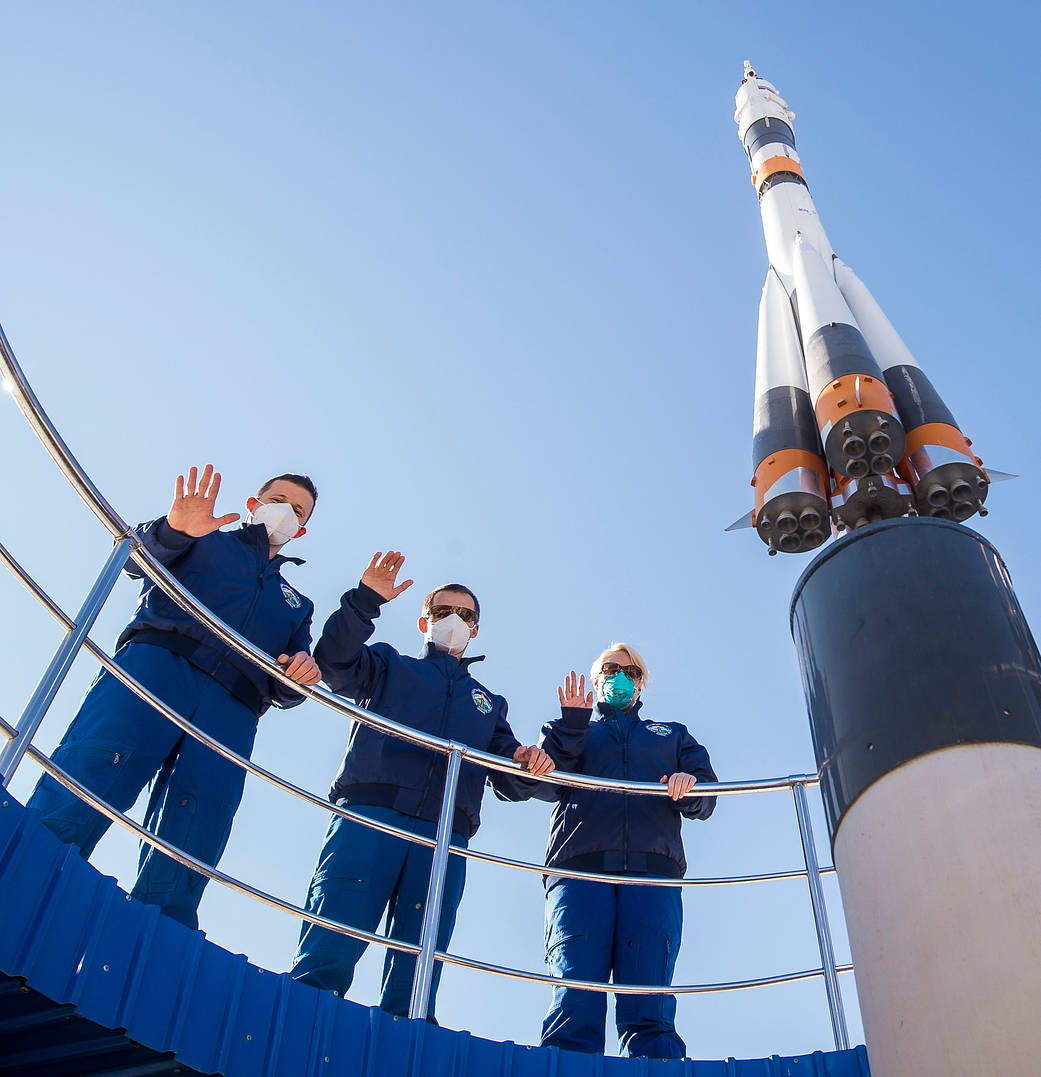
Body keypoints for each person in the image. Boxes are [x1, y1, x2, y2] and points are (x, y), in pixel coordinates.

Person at [27, 464, 321, 929]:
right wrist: (173, 530)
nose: (285, 513)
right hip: (158, 666)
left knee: (200, 815)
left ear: (301, 531)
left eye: (297, 510)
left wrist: (301, 675)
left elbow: (290, 682)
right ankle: (28, 874)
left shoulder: (296, 604)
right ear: (253, 503)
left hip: (234, 707)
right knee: (98, 764)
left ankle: (160, 931)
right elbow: (132, 557)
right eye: (278, 500)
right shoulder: (202, 534)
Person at [291, 550, 554, 1019]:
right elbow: (334, 665)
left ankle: (408, 1039)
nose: (454, 620)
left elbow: (509, 779)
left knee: (420, 957)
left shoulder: (488, 704)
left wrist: (525, 760)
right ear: (423, 622)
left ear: (475, 629)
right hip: (372, 815)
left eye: (465, 615)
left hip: (445, 834)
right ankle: (302, 1022)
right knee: (334, 933)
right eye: (443, 612)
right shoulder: (390, 665)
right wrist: (364, 601)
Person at [535, 643, 717, 1059]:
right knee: (575, 997)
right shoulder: (571, 730)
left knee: (648, 1003)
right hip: (580, 873)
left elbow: (707, 798)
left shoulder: (672, 735)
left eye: (631, 672)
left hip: (652, 874)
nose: (621, 676)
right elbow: (540, 784)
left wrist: (689, 788)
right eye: (611, 668)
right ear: (596, 678)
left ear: (641, 684)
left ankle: (656, 1065)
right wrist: (570, 726)